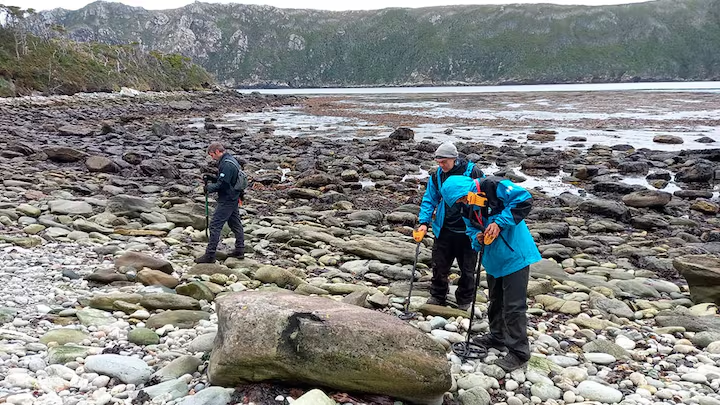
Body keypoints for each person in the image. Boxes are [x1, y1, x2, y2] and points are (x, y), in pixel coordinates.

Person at [439, 174, 541, 372]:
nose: (463, 202)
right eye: (459, 201)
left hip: (515, 255)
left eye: (463, 198)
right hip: (494, 258)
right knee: (495, 300)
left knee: (514, 306)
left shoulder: (492, 185)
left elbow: (524, 199)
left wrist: (499, 223)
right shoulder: (465, 207)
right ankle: (497, 336)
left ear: (467, 188)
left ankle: (519, 353)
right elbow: (470, 230)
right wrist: (477, 238)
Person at [417, 141, 484, 311]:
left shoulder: (473, 172)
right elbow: (429, 199)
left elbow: (484, 197)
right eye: (438, 162)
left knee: (467, 269)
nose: (441, 165)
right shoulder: (437, 176)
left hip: (469, 231)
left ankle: (464, 300)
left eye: (444, 162)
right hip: (444, 228)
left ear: (454, 158)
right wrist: (424, 223)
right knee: (439, 265)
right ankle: (437, 295)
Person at [195, 142, 245, 263]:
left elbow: (223, 184)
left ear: (217, 151)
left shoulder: (227, 164)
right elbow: (225, 180)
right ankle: (240, 250)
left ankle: (210, 255)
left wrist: (209, 188)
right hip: (233, 197)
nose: (212, 158)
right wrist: (211, 178)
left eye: (212, 155)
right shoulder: (230, 160)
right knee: (235, 224)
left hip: (227, 199)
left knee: (215, 225)